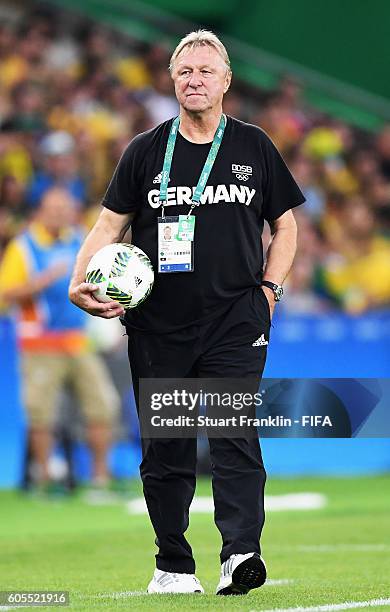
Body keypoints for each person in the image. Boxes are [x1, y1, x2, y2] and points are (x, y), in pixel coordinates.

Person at [69, 30, 304, 595]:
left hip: (235, 321)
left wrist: (270, 290)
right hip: (158, 323)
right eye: (184, 72)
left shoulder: (253, 146)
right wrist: (80, 281)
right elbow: (109, 225)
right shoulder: (145, 150)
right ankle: (172, 565)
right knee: (167, 451)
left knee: (233, 436)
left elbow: (287, 226)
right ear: (172, 81)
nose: (193, 80)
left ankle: (240, 554)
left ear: (226, 81)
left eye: (205, 71)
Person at [0, 187, 119, 490]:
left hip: (77, 342)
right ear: (40, 211)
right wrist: (41, 281)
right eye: (54, 209)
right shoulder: (23, 247)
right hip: (39, 344)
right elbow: (5, 295)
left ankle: (100, 479)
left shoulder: (79, 239)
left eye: (65, 208)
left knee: (102, 405)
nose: (60, 214)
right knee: (42, 414)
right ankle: (44, 480)